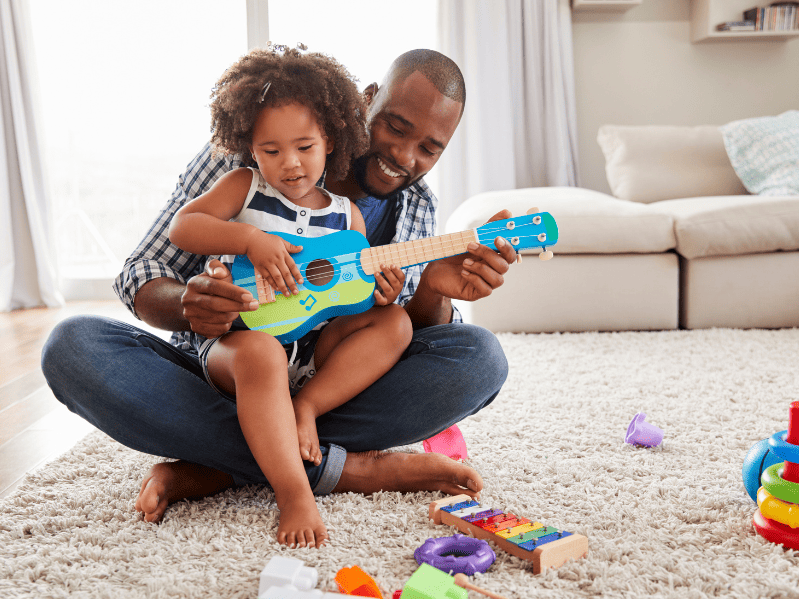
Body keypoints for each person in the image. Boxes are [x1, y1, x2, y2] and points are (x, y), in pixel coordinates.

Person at [41, 48, 518, 549]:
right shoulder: (249, 154)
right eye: (396, 128)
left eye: (430, 147)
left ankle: (222, 467)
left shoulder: (413, 206)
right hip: (227, 365)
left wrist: (433, 292)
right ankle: (345, 469)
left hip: (323, 382)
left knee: (479, 358)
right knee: (73, 347)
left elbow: (406, 338)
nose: (405, 156)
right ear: (368, 101)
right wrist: (189, 304)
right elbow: (142, 271)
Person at [168, 45, 413, 547]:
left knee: (398, 325)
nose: (290, 164)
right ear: (251, 148)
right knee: (260, 354)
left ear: (332, 138)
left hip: (309, 354)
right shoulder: (245, 187)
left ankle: (305, 411)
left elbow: (347, 296)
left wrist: (382, 295)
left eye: (304, 146)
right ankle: (294, 491)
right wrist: (249, 240)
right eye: (271, 150)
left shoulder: (347, 216)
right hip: (242, 348)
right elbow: (184, 227)